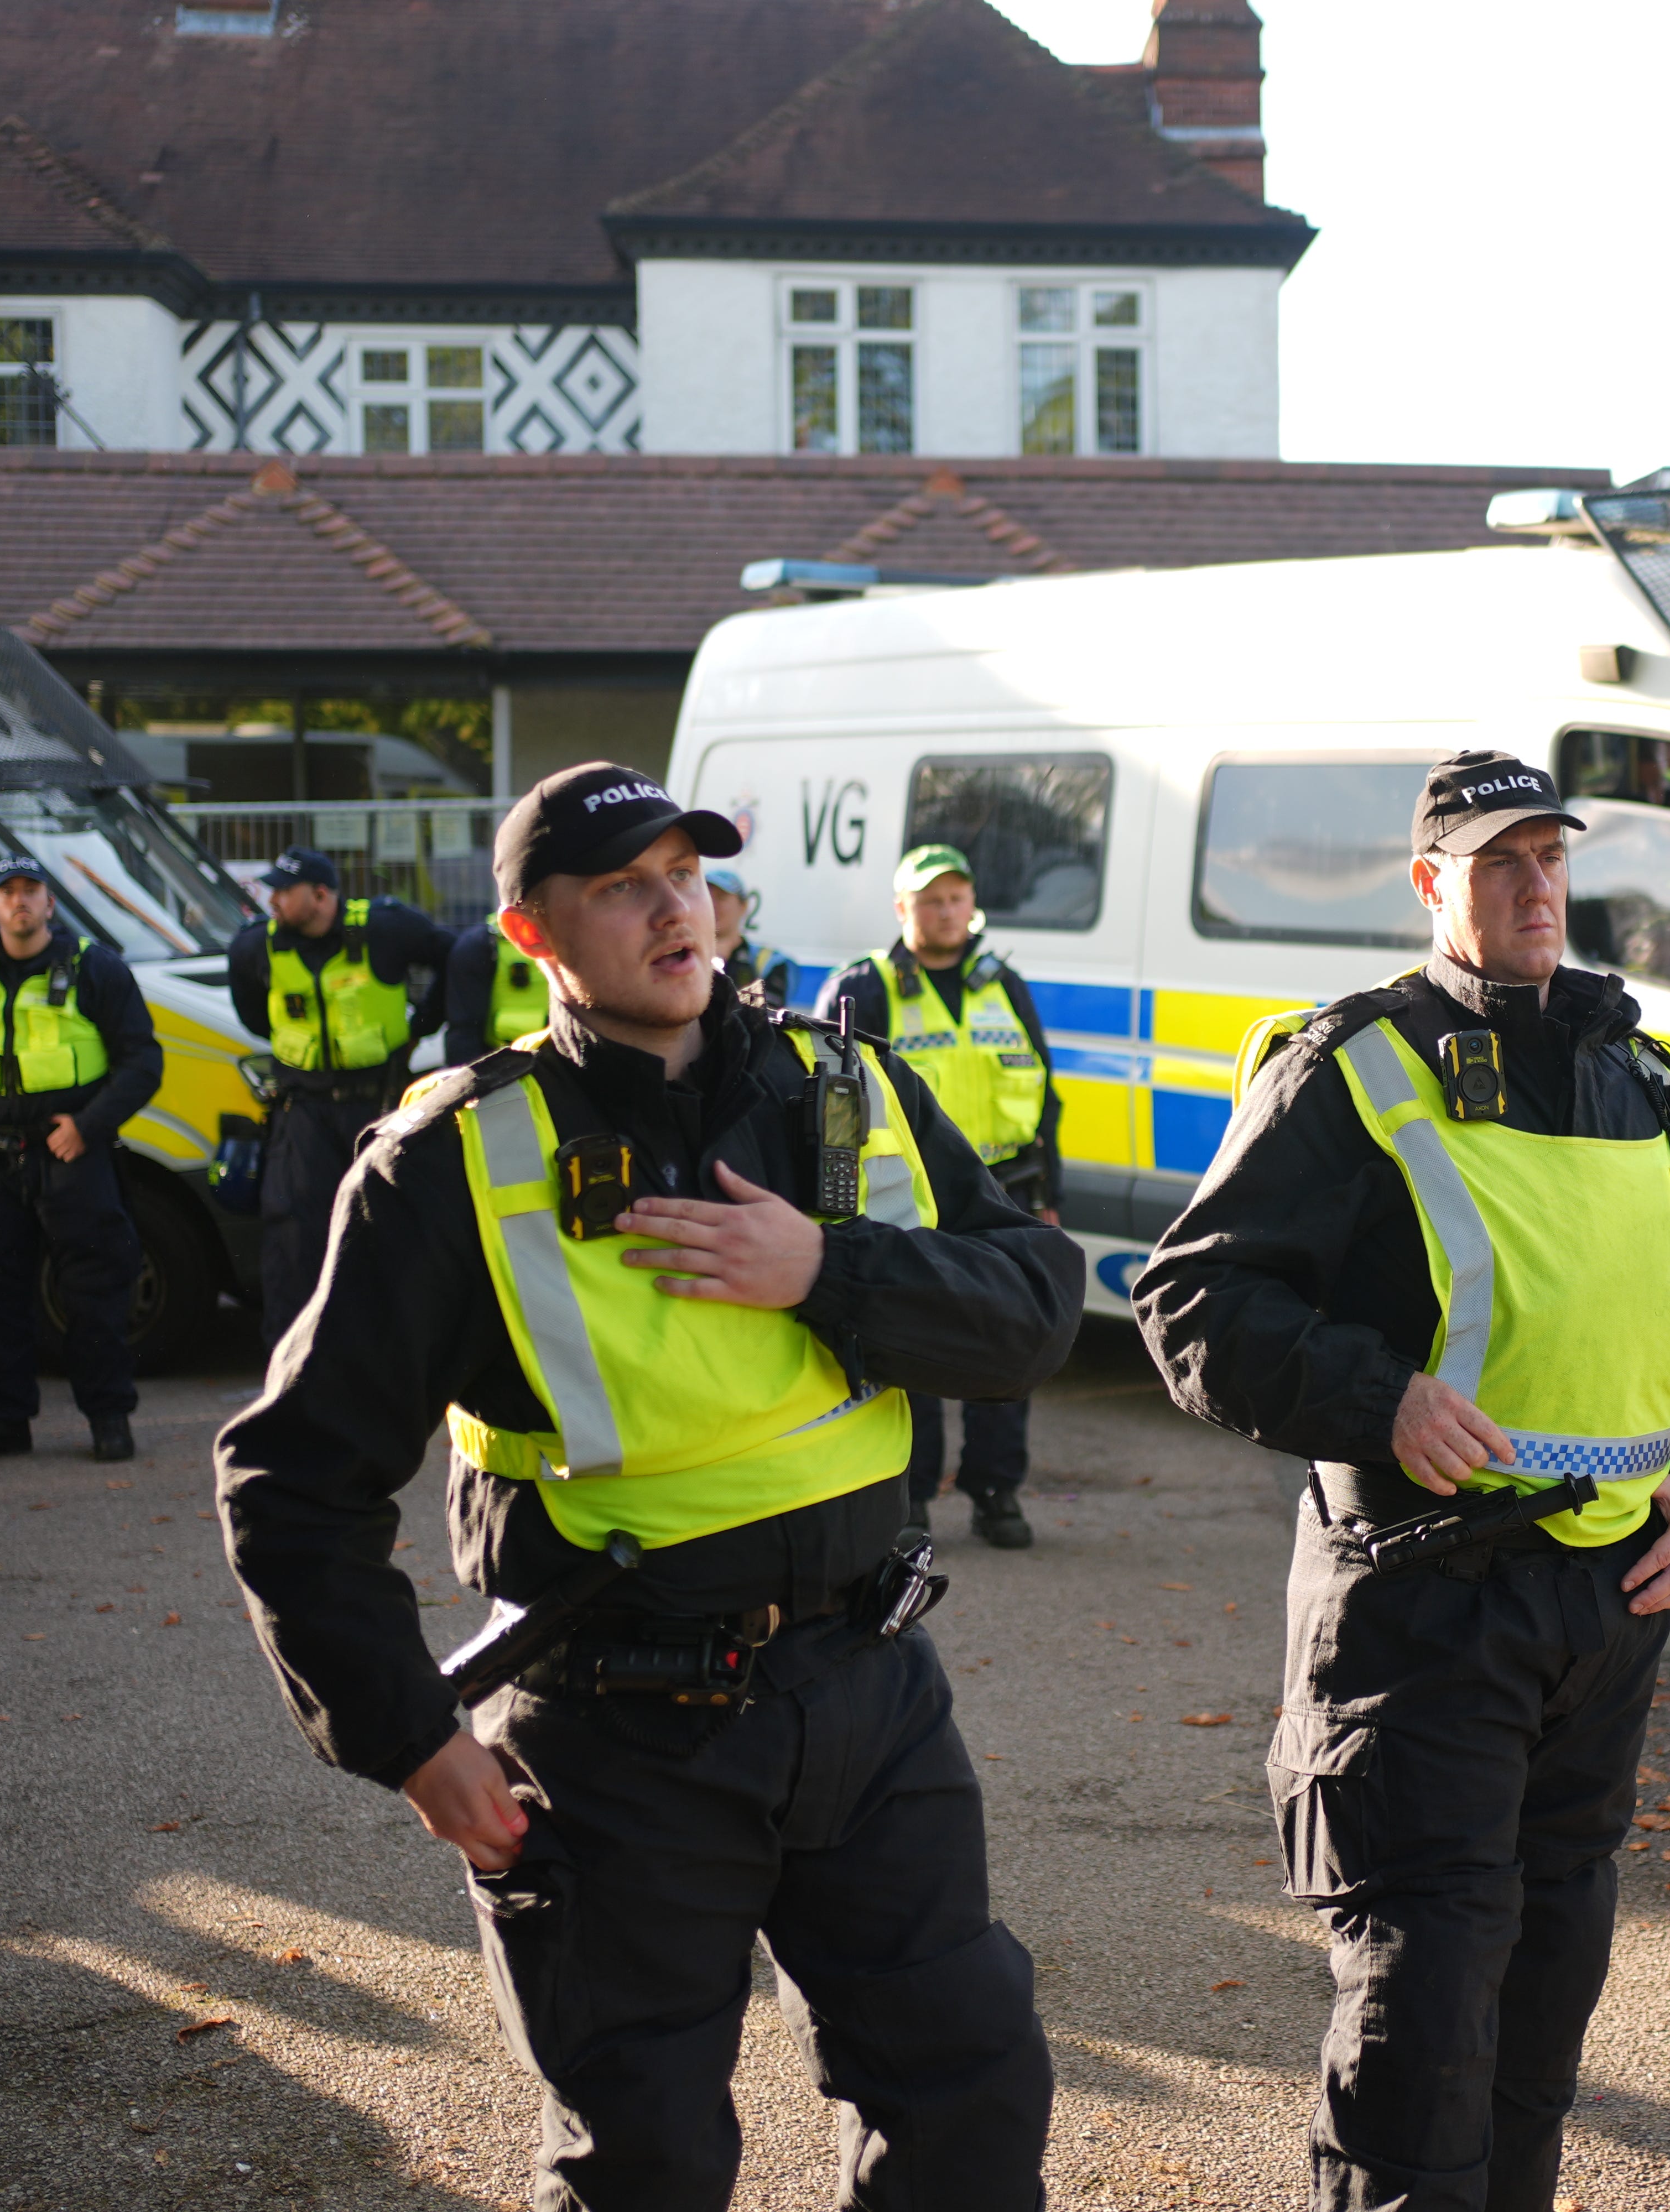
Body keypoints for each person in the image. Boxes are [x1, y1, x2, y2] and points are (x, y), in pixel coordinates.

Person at [219, 761, 1078, 2210]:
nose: (675, 907)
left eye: (687, 873)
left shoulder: (842, 1083)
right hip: (619, 1738)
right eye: (624, 885)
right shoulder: (456, 1156)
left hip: (872, 1701)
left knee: (973, 2106)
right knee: (649, 2167)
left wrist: (827, 1271)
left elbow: (1035, 1306)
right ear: (531, 934)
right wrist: (411, 1735)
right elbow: (293, 1482)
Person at [1133, 750, 1670, 2210]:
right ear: (1431, 886)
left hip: (1602, 1625)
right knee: (1423, 2026)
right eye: (1501, 863)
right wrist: (1378, 1400)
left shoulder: (1645, 1073)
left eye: (1552, 857)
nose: (1538, 887)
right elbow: (1193, 1308)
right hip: (1419, 1618)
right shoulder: (1351, 1066)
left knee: (1544, 2018)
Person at [816, 844, 1062, 1552]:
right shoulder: (862, 985)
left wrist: (1050, 1191)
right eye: (930, 900)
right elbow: (829, 1101)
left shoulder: (1003, 983)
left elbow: (1044, 1090)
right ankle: (912, 1497)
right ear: (903, 910)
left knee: (1003, 1340)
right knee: (914, 1345)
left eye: (956, 897)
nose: (947, 910)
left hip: (1004, 1194)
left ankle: (996, 1493)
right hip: (906, 1196)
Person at [0, 857, 163, 1465]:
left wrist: (89, 1126)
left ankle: (107, 1417)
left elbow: (142, 1060)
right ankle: (2, 1420)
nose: (20, 902)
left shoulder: (95, 970)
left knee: (96, 1286)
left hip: (69, 1150)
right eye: (7, 892)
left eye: (31, 891)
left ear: (50, 903)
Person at [225, 848, 452, 1340]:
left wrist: (424, 1024)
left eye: (285, 892)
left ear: (322, 895)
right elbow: (250, 1009)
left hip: (379, 1107)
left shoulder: (386, 929)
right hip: (302, 1108)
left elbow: (454, 955)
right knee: (293, 1236)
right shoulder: (255, 948)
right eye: (273, 891)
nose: (274, 902)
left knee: (387, 1230)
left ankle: (393, 1352)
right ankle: (291, 1366)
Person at [442, 909, 549, 1072]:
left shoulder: (474, 944)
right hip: (560, 1064)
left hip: (496, 1065)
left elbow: (464, 1033)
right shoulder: (583, 936)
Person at [706, 864, 799, 1009]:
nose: (712, 905)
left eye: (721, 897)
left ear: (744, 906)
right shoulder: (684, 956)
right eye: (706, 896)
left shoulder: (770, 962)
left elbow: (765, 1017)